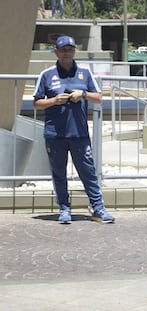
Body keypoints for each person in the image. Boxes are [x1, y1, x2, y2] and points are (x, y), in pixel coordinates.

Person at [33, 35, 115, 224]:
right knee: (59, 173)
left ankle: (98, 209)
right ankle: (64, 208)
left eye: (70, 49)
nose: (67, 53)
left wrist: (83, 94)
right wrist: (54, 101)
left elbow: (99, 98)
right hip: (55, 134)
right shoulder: (47, 74)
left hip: (79, 133)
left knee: (88, 172)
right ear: (56, 52)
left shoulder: (85, 73)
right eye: (63, 49)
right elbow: (36, 103)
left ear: (74, 51)